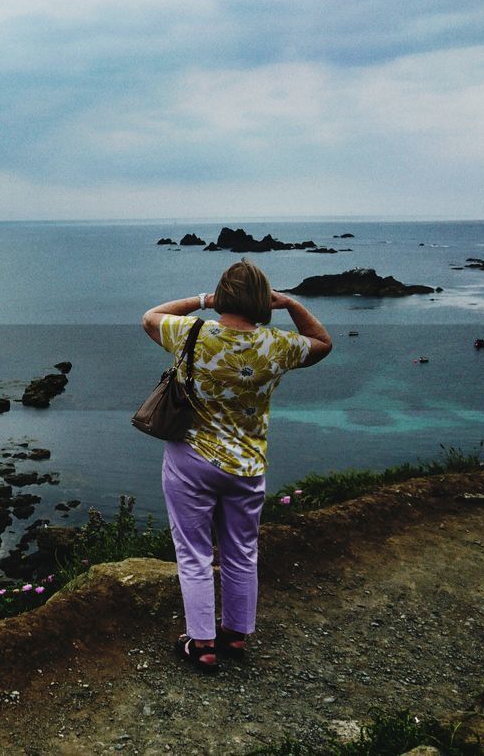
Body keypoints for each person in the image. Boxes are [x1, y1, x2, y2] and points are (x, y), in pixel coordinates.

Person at [141, 258, 332, 673]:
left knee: (193, 552)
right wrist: (291, 304)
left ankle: (202, 643)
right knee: (242, 551)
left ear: (222, 297)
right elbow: (321, 343)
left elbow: (150, 317)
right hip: (248, 464)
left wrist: (202, 300)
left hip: (190, 458)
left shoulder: (193, 331)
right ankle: (236, 634)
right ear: (263, 300)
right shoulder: (276, 345)